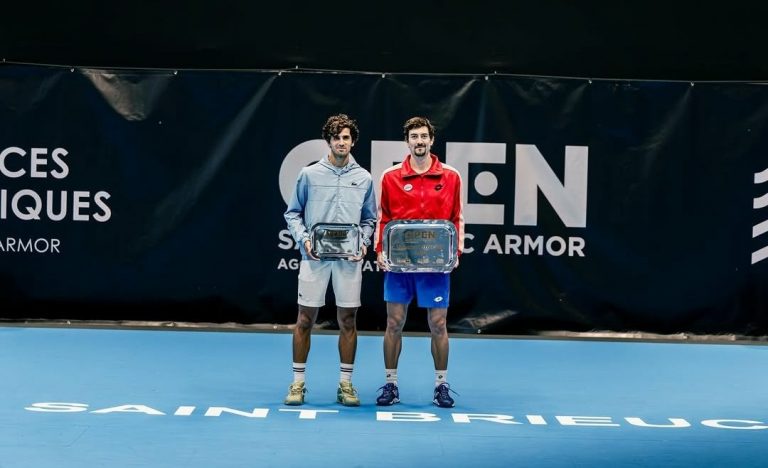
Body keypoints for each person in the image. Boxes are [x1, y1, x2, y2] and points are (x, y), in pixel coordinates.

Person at [283, 113, 377, 406]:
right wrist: (305, 240)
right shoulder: (309, 174)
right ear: (329, 141)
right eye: (336, 137)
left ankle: (346, 385)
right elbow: (292, 214)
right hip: (315, 258)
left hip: (348, 260)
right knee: (304, 319)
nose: (341, 142)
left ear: (352, 141)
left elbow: (370, 219)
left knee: (348, 320)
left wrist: (363, 243)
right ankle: (297, 384)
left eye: (346, 137)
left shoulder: (364, 178)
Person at [374, 116, 464, 408]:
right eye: (414, 137)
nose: (420, 141)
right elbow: (383, 218)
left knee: (438, 324)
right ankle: (391, 385)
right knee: (394, 322)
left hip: (435, 264)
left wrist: (456, 253)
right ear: (407, 141)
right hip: (400, 263)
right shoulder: (390, 177)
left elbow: (456, 218)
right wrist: (380, 251)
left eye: (424, 136)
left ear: (432, 140)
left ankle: (441, 386)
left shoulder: (451, 176)